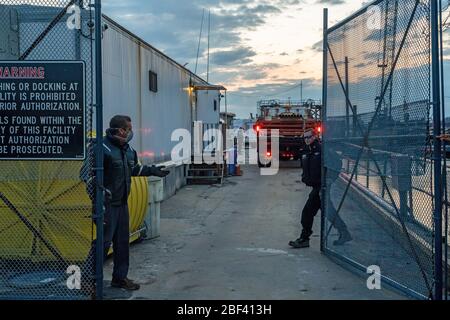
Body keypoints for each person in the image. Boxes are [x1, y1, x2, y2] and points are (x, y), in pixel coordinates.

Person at [81, 115, 170, 291]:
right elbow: (85, 175)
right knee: (103, 243)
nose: (131, 132)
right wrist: (100, 197)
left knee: (122, 243)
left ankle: (119, 278)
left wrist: (153, 170)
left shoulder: (128, 150)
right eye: (129, 129)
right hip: (106, 206)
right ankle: (86, 280)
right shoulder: (100, 148)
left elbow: (134, 169)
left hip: (122, 204)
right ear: (121, 130)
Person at [289, 129, 352, 249]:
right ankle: (344, 233)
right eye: (305, 137)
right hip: (316, 187)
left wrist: (329, 180)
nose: (307, 139)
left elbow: (337, 164)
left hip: (321, 187)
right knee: (328, 211)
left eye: (309, 137)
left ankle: (304, 238)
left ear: (315, 136)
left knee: (308, 212)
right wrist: (304, 177)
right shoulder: (306, 151)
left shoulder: (322, 150)